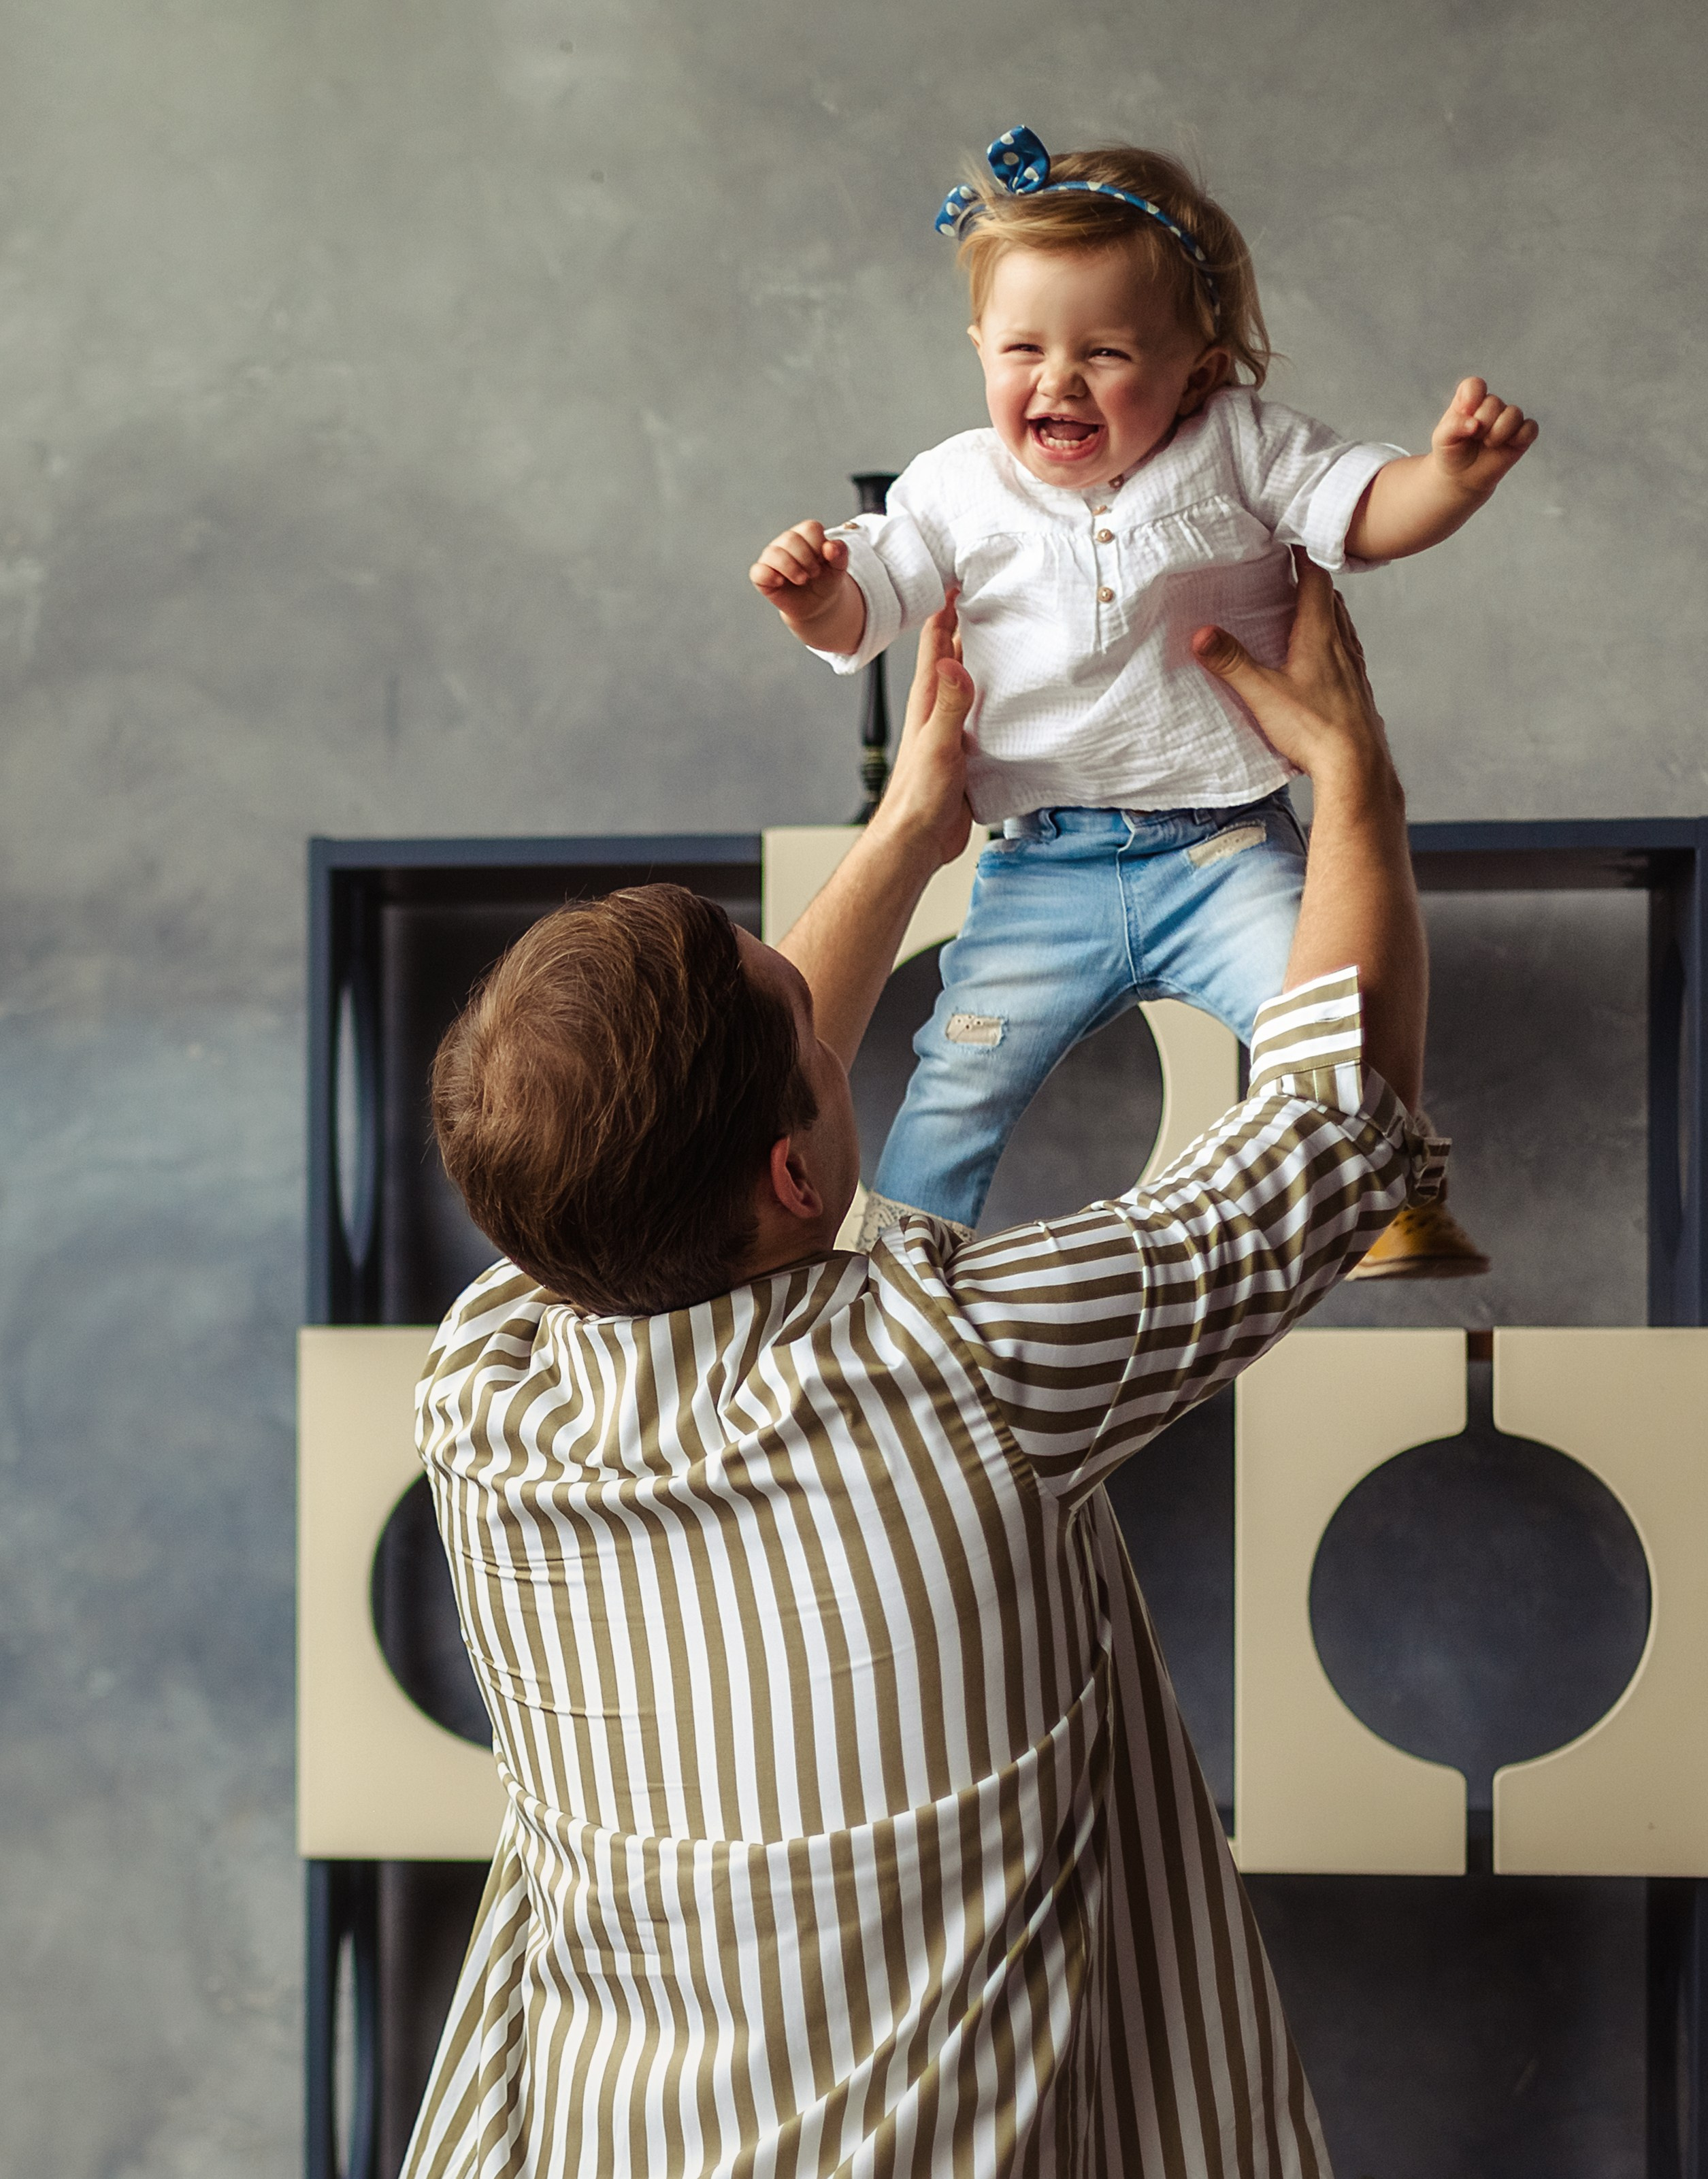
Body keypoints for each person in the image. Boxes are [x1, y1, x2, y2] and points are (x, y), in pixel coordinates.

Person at [403, 559, 1441, 2179]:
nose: (839, 1026)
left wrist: (907, 830)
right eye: (821, 1041)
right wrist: (1355, 774)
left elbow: (665, 1128)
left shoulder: (484, 1393)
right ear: (795, 1176)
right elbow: (1326, 1128)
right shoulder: (971, 1365)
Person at [749, 124, 1528, 1265]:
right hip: (1040, 868)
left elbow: (1363, 512)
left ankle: (1388, 1190)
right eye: (1022, 349)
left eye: (1105, 353)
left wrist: (1447, 479)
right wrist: (813, 594)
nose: (1055, 380)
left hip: (1221, 851)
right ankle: (901, 1271)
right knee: (958, 1074)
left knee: (1321, 1019)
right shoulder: (956, 486)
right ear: (978, 349)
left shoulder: (1238, 448)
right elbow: (870, 602)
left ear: (1196, 369)